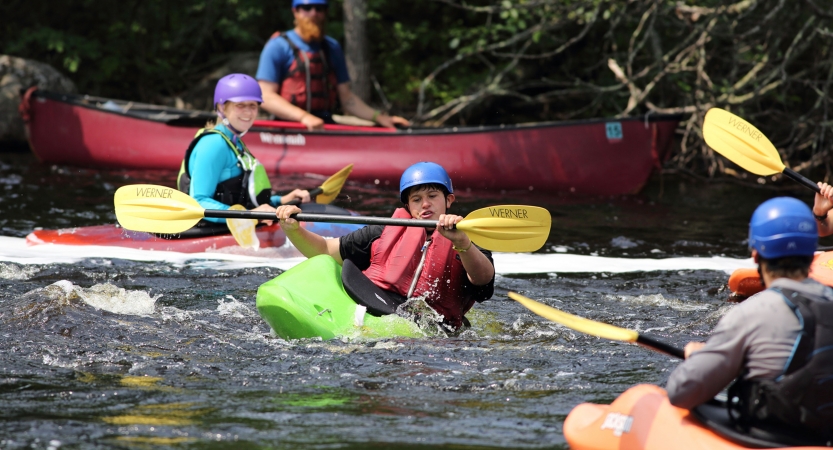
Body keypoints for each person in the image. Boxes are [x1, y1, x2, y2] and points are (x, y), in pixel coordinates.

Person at [666, 197, 833, 439]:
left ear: (756, 255)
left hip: (772, 436)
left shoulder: (751, 313)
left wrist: (697, 359)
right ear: (812, 253)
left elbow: (681, 392)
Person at [274, 162, 495, 330]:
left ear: (449, 200)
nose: (425, 204)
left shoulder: (468, 239)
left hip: (432, 328)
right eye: (416, 199)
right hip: (374, 305)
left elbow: (483, 281)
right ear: (407, 205)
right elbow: (322, 250)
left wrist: (462, 243)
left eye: (432, 196)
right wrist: (293, 229)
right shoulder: (383, 232)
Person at [255, 0, 410, 131]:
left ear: (325, 12)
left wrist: (380, 118)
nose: (313, 13)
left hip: (324, 126)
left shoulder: (331, 47)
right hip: (287, 128)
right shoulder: (278, 46)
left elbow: (347, 98)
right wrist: (303, 117)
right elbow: (266, 96)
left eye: (319, 9)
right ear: (295, 11)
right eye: (307, 8)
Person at [177, 73, 311, 225]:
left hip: (236, 224)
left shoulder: (235, 143)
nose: (248, 112)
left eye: (253, 105)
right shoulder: (213, 144)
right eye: (240, 105)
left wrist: (281, 200)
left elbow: (246, 198)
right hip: (209, 229)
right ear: (222, 107)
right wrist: (250, 216)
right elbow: (198, 202)